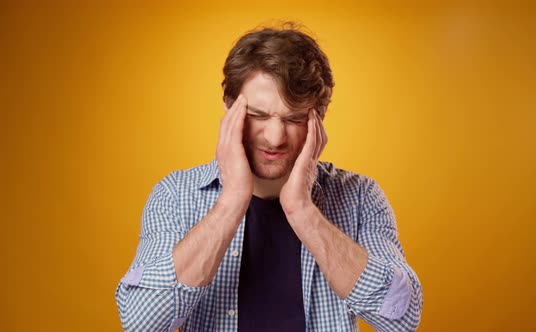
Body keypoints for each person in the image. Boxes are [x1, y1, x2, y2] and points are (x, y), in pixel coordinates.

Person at [115, 24, 423, 332]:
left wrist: (302, 211)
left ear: (319, 120)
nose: (275, 138)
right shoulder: (175, 195)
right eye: (258, 115)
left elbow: (402, 319)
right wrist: (231, 203)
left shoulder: (360, 196)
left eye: (294, 118)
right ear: (228, 109)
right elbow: (141, 324)